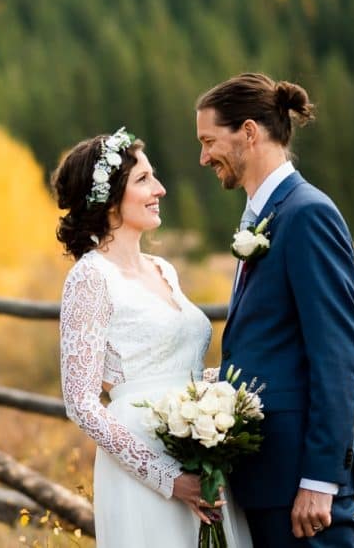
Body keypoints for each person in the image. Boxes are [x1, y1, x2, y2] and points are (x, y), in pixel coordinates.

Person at [53, 128, 252, 547]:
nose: (159, 189)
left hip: (200, 449)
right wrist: (168, 480)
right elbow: (81, 401)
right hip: (145, 464)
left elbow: (176, 367)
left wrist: (234, 390)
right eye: (143, 180)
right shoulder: (90, 278)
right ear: (107, 198)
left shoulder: (164, 269)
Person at [195, 73, 354, 547]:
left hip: (301, 489)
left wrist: (319, 479)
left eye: (210, 141)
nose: (204, 156)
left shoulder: (307, 213)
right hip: (266, 480)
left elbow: (337, 355)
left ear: (249, 132)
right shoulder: (263, 216)